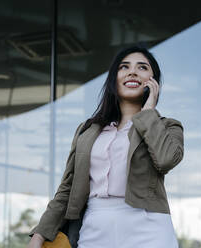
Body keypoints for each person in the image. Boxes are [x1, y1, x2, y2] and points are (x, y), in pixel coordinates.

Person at [27, 44, 184, 248]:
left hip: (149, 229)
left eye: (142, 67)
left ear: (153, 82)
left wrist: (148, 113)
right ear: (113, 79)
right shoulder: (87, 130)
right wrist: (39, 235)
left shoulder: (166, 126)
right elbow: (67, 189)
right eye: (124, 67)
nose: (133, 71)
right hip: (94, 229)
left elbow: (166, 160)